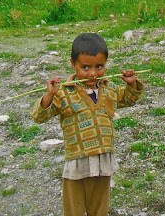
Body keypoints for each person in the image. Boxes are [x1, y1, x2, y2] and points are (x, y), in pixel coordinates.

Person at [31, 32, 144, 216]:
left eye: (99, 67)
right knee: (73, 210)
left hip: (102, 161)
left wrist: (132, 84)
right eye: (85, 67)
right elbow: (38, 116)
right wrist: (49, 95)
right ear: (72, 64)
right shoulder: (64, 93)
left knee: (99, 209)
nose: (92, 73)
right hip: (77, 162)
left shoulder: (109, 88)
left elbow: (128, 99)